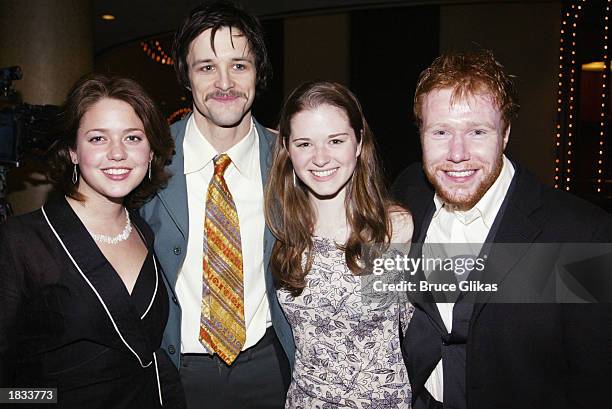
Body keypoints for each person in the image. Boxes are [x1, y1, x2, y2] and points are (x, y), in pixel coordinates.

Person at [392, 50, 612, 409]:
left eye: (477, 131)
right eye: (441, 131)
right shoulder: (407, 193)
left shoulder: (582, 236)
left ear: (505, 133)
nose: (457, 153)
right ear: (421, 133)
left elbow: (596, 382)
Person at [139, 2, 292, 408]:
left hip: (269, 368)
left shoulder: (290, 160)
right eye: (206, 67)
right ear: (186, 78)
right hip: (173, 373)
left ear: (258, 72)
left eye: (239, 65)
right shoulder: (146, 161)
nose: (225, 82)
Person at [0, 74, 185, 408]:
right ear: (73, 151)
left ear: (151, 150)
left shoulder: (144, 230)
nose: (117, 153)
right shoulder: (20, 242)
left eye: (132, 137)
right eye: (98, 138)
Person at [265, 80, 414, 408]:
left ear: (359, 142)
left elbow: (422, 327)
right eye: (304, 144)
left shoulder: (393, 229)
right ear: (287, 149)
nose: (320, 158)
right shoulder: (283, 232)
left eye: (335, 140)